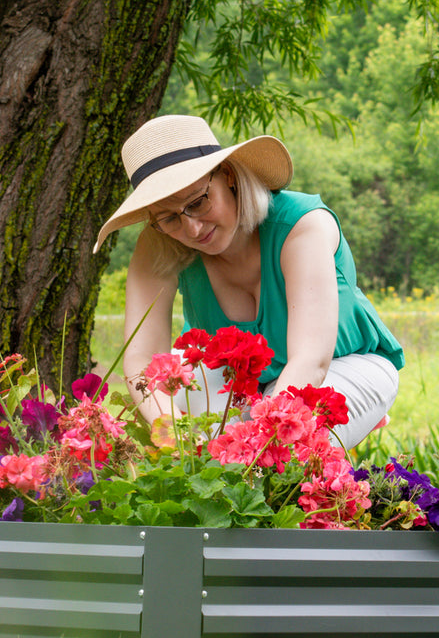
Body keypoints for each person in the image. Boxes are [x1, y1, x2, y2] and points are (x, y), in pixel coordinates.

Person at [92, 115, 403, 448]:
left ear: (227, 175)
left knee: (288, 451)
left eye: (198, 202)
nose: (193, 229)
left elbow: (311, 361)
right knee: (196, 435)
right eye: (169, 217)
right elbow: (141, 361)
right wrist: (173, 431)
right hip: (235, 379)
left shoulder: (301, 225)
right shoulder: (160, 242)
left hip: (343, 367)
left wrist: (253, 442)